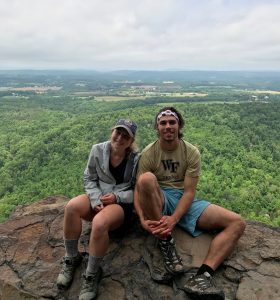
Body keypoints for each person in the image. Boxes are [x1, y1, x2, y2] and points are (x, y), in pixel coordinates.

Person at [134, 107, 246, 300]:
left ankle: (202, 277)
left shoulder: (191, 152)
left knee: (237, 222)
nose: (168, 126)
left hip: (184, 199)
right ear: (157, 127)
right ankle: (165, 241)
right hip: (159, 197)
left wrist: (175, 219)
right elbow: (139, 189)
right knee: (146, 180)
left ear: (179, 125)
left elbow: (189, 192)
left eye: (172, 122)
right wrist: (143, 219)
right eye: (163, 123)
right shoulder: (149, 153)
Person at [56, 119, 139, 300]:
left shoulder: (136, 160)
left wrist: (117, 197)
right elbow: (89, 178)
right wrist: (95, 199)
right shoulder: (98, 150)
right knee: (71, 207)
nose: (120, 138)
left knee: (99, 223)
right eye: (118, 132)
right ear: (112, 132)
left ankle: (92, 273)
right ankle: (71, 257)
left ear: (131, 141)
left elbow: (137, 190)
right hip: (98, 199)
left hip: (120, 206)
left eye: (126, 136)